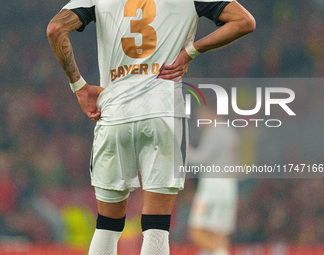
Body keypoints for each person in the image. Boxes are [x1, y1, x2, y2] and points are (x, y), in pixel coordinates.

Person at [46, 0, 255, 254]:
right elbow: (244, 22)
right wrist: (191, 51)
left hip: (113, 114)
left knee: (107, 226)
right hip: (163, 114)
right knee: (157, 228)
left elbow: (55, 29)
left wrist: (79, 88)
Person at [188, 106, 240, 255]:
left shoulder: (214, 132)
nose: (198, 120)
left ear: (209, 112)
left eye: (200, 115)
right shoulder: (231, 133)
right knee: (219, 235)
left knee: (196, 232)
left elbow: (199, 159)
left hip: (211, 189)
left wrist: (181, 148)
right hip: (229, 188)